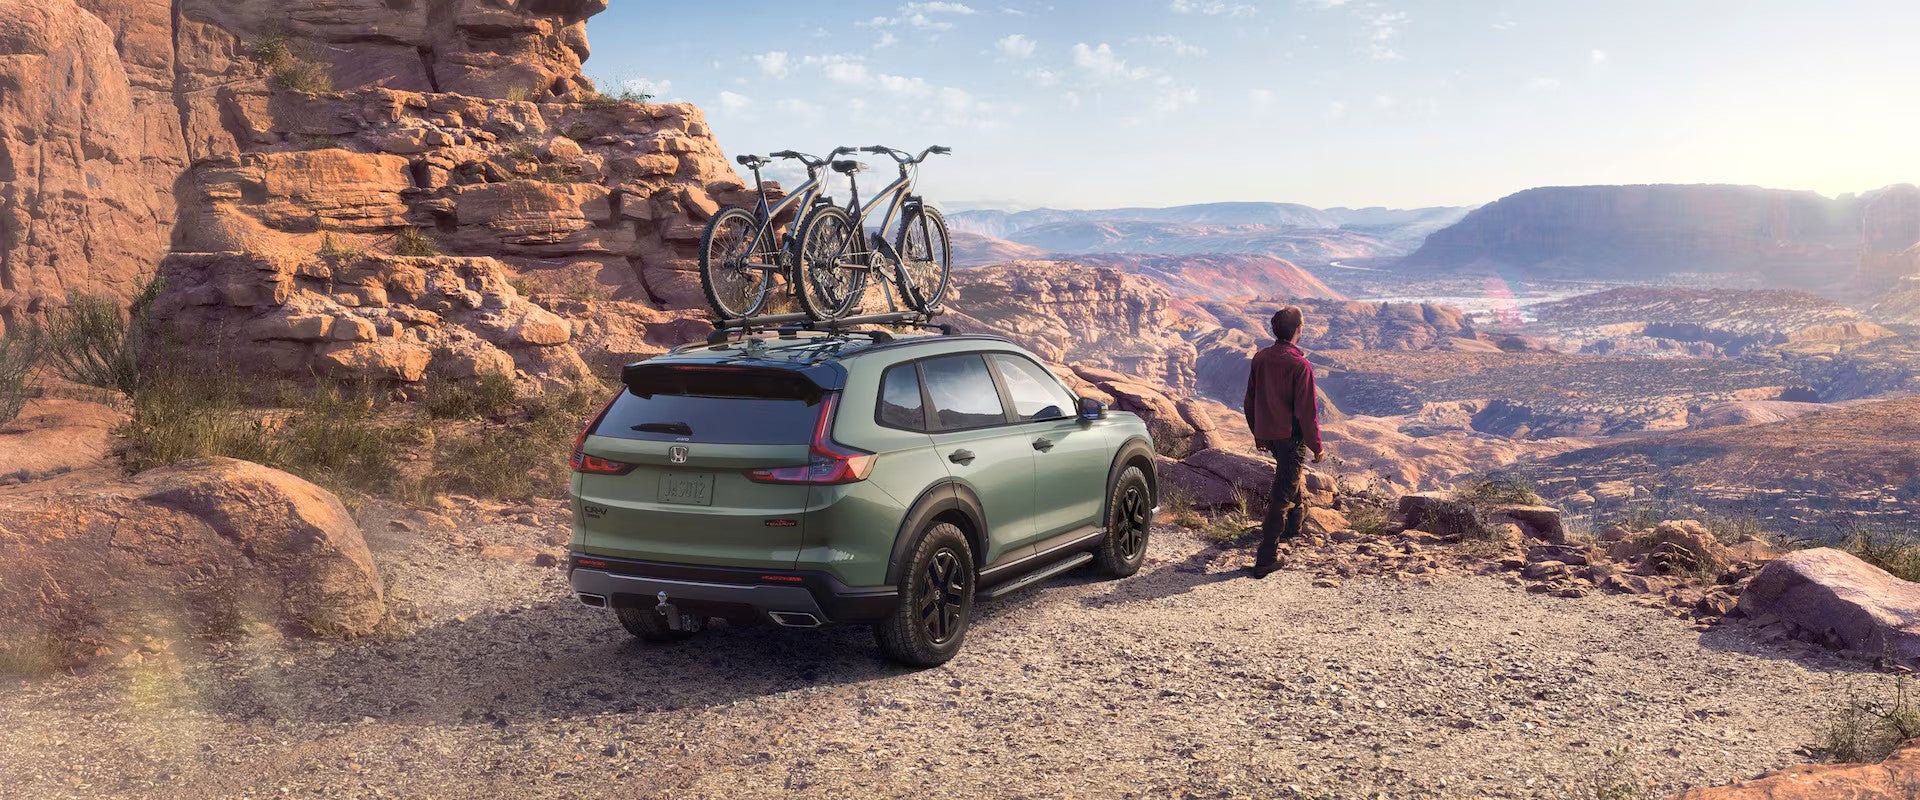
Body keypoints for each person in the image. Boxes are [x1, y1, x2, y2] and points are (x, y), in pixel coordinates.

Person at [1240, 306, 1324, 578]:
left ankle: (1292, 528)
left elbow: (1250, 400)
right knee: (1281, 493)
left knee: (1289, 476)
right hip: (1291, 437)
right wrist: (1317, 446)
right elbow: (1307, 412)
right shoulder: (1300, 365)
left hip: (1270, 435)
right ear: (1299, 330)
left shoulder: (1261, 358)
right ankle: (1266, 557)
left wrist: (1258, 433)